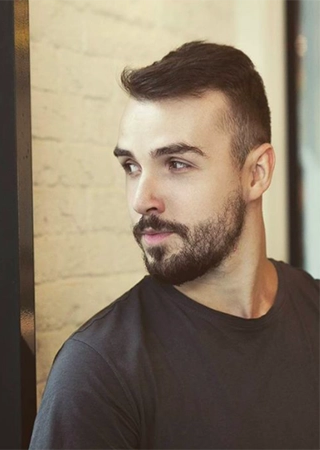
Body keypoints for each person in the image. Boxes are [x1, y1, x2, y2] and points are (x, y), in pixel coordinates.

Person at [29, 41, 320, 450]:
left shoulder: (313, 308)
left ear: (256, 173)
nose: (141, 200)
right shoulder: (98, 373)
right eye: (131, 166)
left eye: (177, 164)